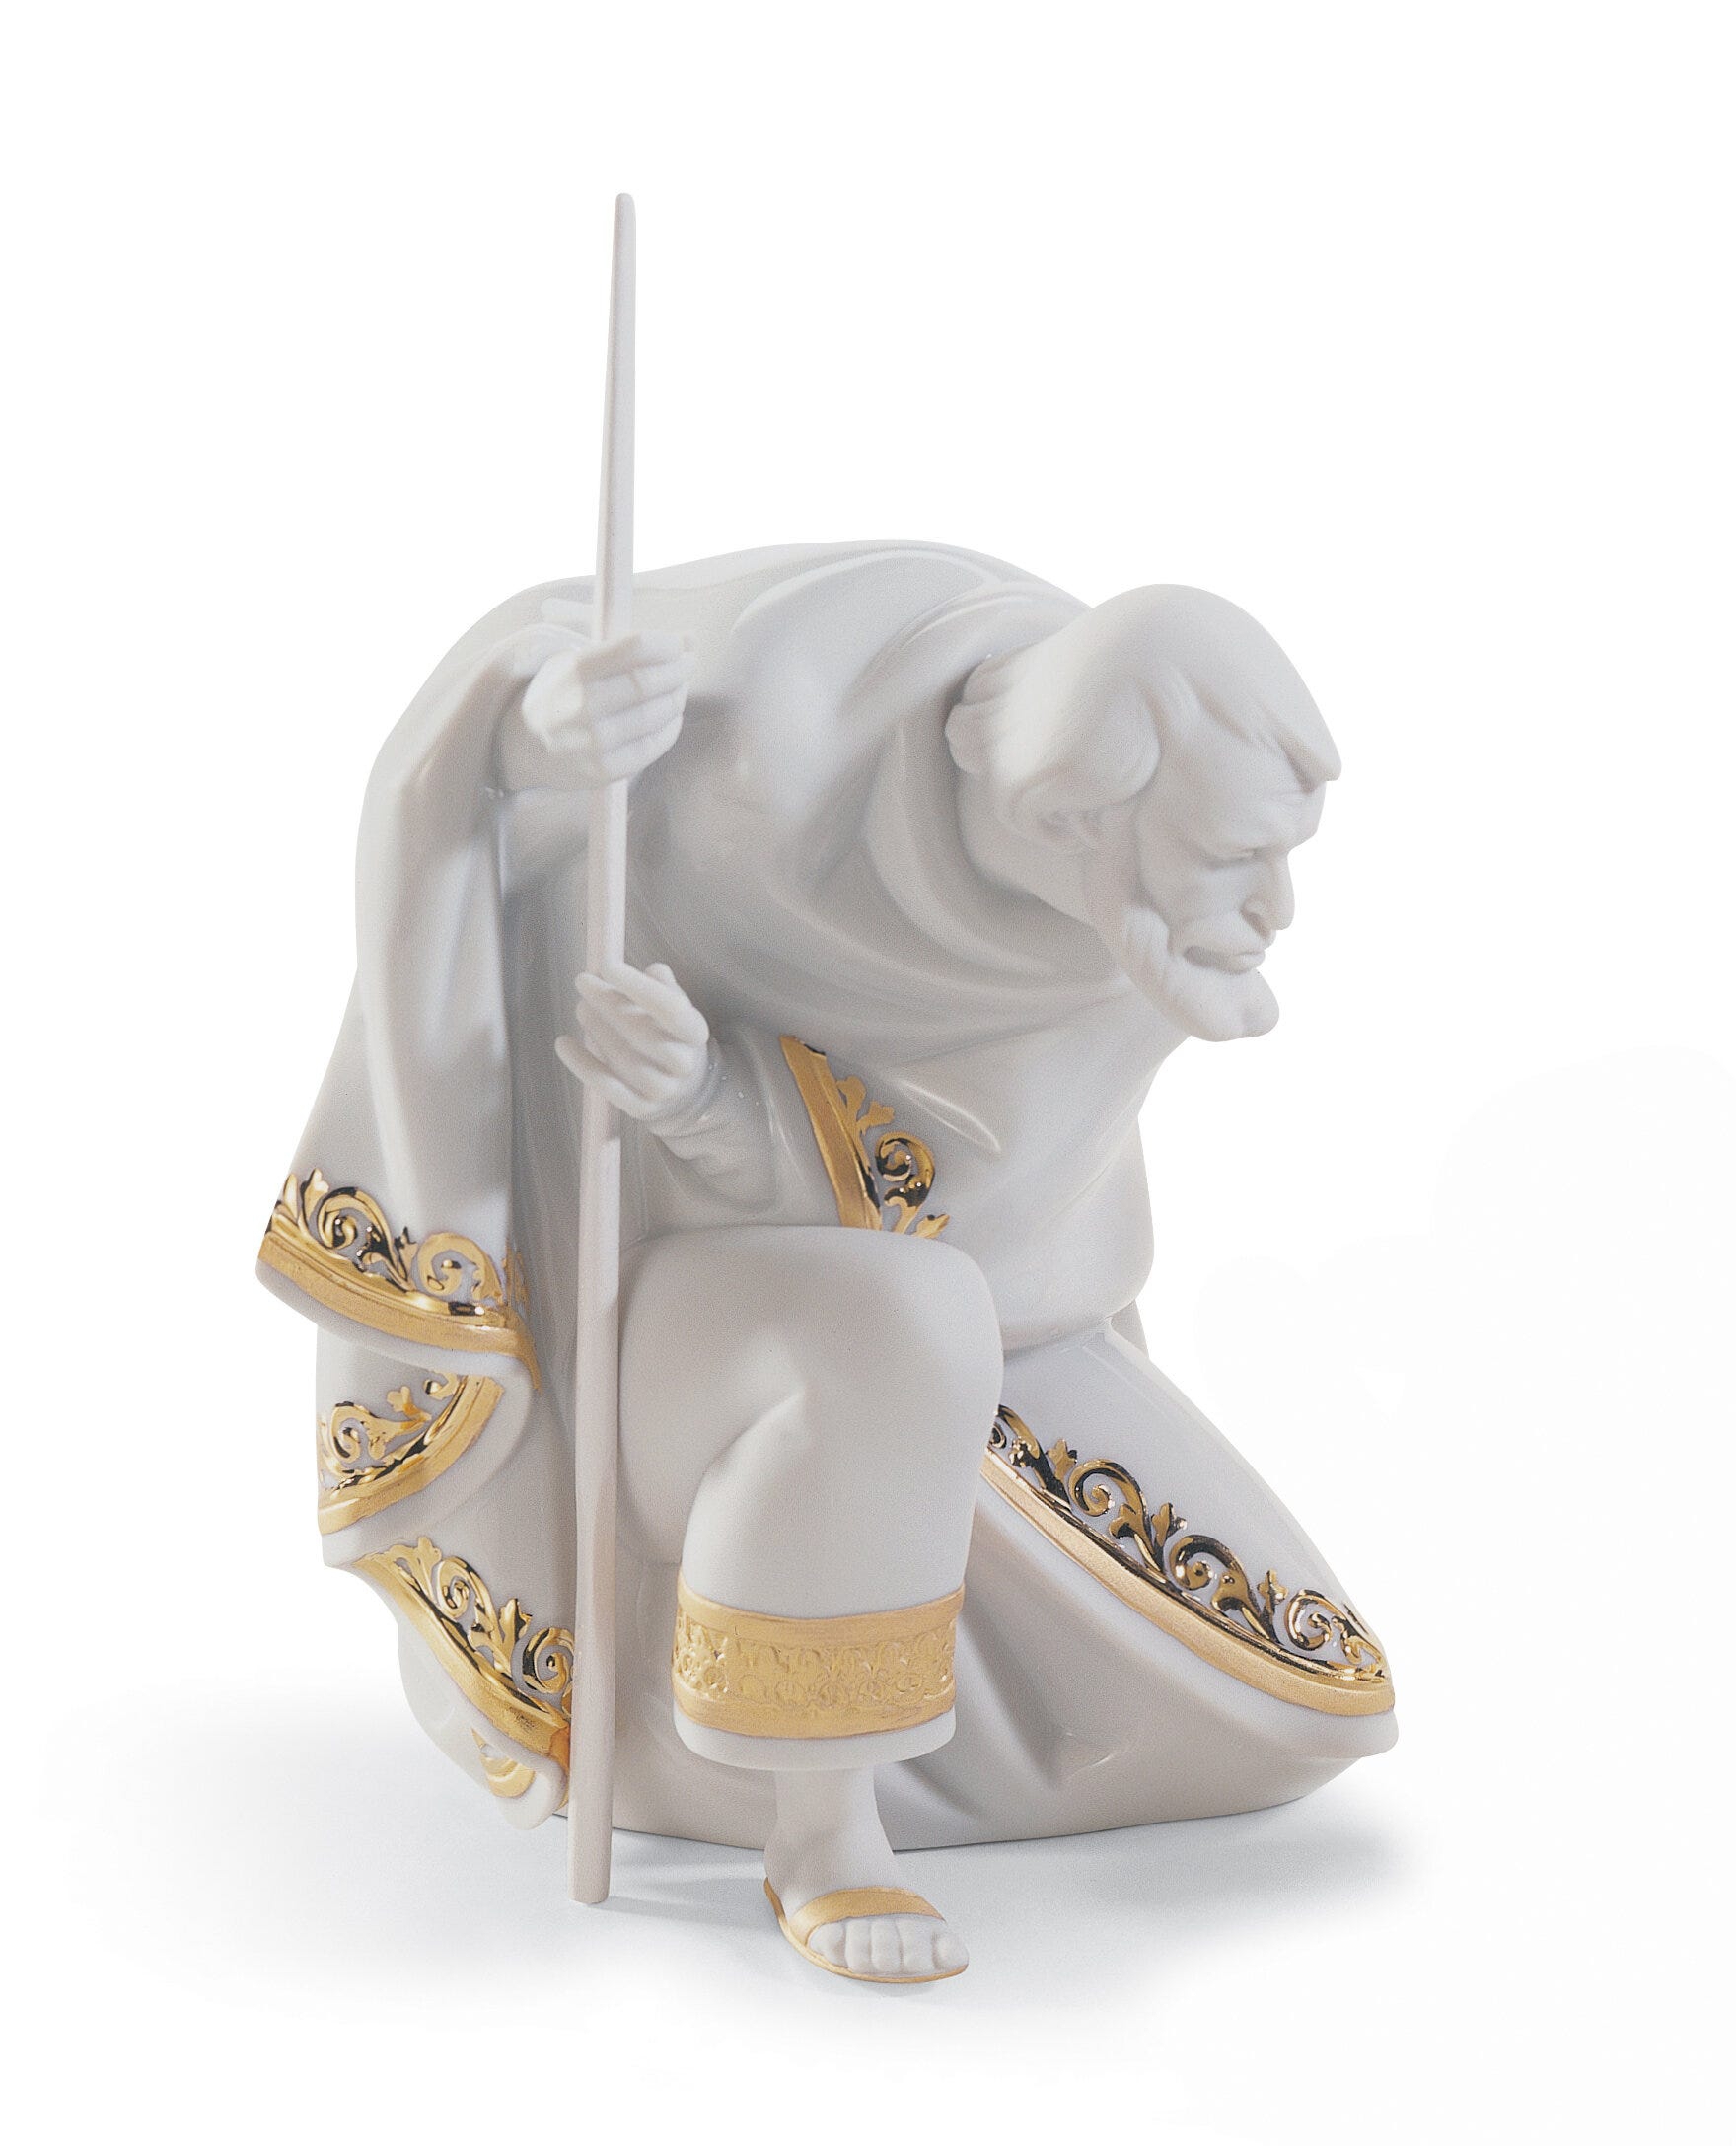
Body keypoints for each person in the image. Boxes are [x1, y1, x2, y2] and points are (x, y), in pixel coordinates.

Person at [259, 541, 1394, 1985]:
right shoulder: (790, 707)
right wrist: (536, 735)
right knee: (895, 1323)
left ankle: (728, 1720)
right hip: (639, 1318)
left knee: (1291, 1697)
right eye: (1238, 860)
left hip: (1004, 1337)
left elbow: (977, 1196)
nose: (1277, 909)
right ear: (1067, 815)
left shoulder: (1129, 935)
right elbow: (515, 716)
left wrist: (707, 1098)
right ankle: (820, 1821)